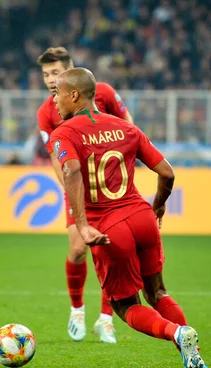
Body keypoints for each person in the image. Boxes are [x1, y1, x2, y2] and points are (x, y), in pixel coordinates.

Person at [50, 67, 207, 368]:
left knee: (124, 306)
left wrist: (82, 226)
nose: (54, 100)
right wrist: (159, 205)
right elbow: (167, 173)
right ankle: (194, 358)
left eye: (57, 92)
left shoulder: (64, 133)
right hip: (142, 217)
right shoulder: (126, 128)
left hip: (110, 229)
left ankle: (177, 334)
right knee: (158, 292)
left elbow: (70, 171)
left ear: (74, 95)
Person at [36, 47, 134, 343]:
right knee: (78, 249)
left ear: (70, 69)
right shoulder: (46, 112)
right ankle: (77, 309)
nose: (51, 80)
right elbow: (55, 155)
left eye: (55, 73)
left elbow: (128, 125)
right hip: (77, 186)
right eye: (45, 75)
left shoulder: (101, 92)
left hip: (110, 186)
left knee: (110, 251)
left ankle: (106, 319)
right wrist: (68, 187)